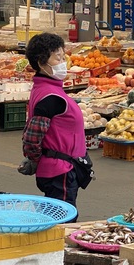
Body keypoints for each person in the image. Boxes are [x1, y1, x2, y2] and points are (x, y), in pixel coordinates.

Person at [22, 33, 86, 220]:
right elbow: (32, 137)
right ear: (42, 63)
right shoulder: (50, 97)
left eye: (63, 57)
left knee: (54, 215)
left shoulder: (46, 89)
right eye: (57, 57)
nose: (63, 62)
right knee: (62, 220)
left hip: (61, 168)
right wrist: (34, 158)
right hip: (60, 171)